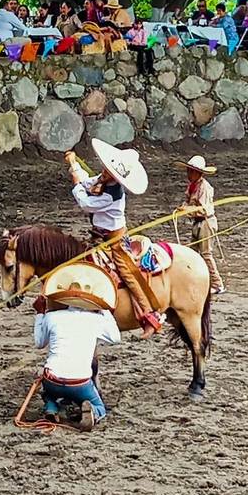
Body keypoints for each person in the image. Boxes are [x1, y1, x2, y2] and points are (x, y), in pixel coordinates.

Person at [65, 140, 165, 338]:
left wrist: (76, 184)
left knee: (127, 272)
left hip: (114, 240)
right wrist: (74, 165)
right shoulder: (103, 181)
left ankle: (148, 314)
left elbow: (86, 203)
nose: (104, 170)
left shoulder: (114, 194)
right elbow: (88, 181)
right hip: (98, 236)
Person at [33, 262, 122, 431]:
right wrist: (106, 309)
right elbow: (115, 338)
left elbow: (39, 343)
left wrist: (40, 314)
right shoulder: (96, 320)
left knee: (46, 386)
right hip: (79, 382)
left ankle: (52, 407)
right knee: (101, 407)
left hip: (53, 379)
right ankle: (93, 412)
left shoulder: (52, 317)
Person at [175, 156, 225, 295]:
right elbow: (189, 202)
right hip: (197, 223)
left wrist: (187, 211)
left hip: (206, 222)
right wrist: (183, 208)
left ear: (199, 173)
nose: (189, 174)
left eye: (192, 171)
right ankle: (195, 280)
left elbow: (203, 210)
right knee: (192, 253)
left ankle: (217, 283)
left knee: (206, 254)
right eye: (188, 171)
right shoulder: (192, 186)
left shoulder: (205, 188)